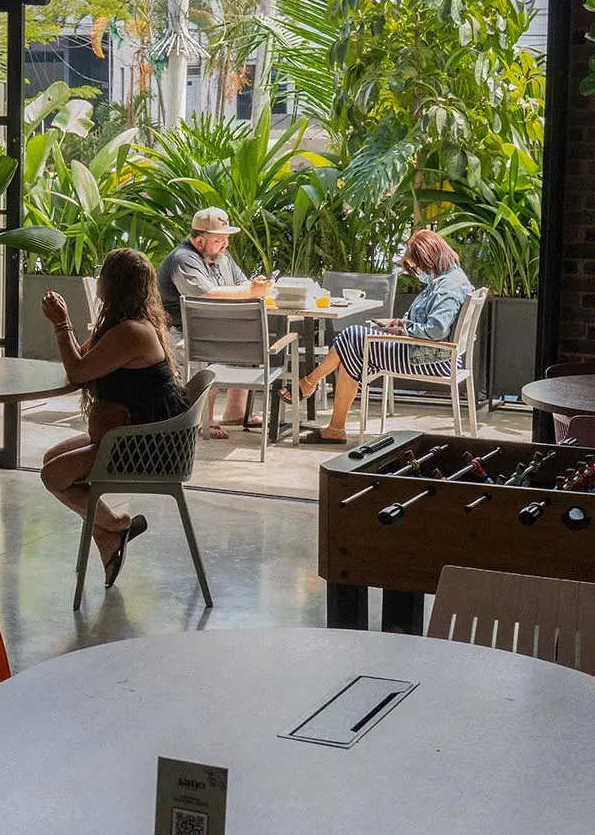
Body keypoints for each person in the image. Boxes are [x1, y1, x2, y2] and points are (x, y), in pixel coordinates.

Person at [39, 248, 189, 587]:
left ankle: (116, 525)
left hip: (146, 448)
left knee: (53, 475)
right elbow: (83, 359)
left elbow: (78, 372)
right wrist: (66, 327)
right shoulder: (122, 325)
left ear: (111, 284)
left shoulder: (131, 332)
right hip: (128, 438)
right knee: (52, 459)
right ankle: (108, 534)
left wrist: (62, 324)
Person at [295, 229, 474, 444]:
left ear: (428, 258)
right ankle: (332, 423)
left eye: (417, 266)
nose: (418, 272)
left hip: (427, 359)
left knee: (351, 336)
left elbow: (436, 330)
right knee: (352, 350)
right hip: (429, 353)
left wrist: (405, 331)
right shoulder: (449, 279)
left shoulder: (447, 288)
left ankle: (311, 385)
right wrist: (402, 324)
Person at [156, 207, 273, 438]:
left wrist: (255, 286)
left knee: (248, 335)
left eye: (226, 239)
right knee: (212, 344)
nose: (225, 245)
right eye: (219, 240)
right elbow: (204, 295)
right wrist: (251, 291)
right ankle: (204, 419)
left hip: (212, 325)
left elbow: (241, 283)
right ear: (200, 241)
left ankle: (235, 412)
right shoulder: (183, 259)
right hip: (179, 332)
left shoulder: (222, 256)